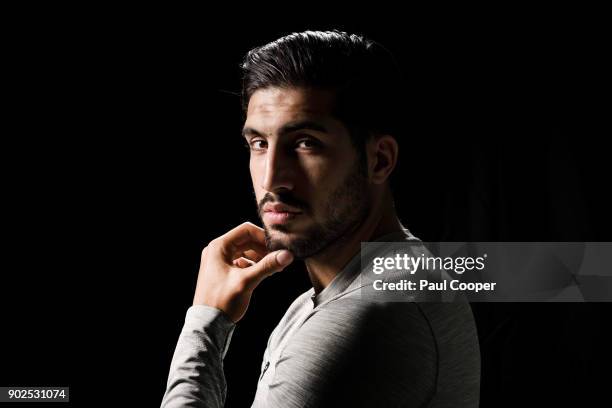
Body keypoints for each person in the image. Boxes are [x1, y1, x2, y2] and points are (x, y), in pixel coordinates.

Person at [161, 30, 480, 407]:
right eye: (260, 144)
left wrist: (206, 321)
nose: (271, 180)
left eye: (305, 143)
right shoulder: (380, 277)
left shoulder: (360, 322)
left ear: (379, 160)